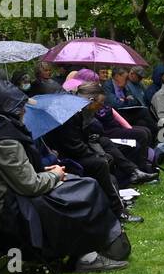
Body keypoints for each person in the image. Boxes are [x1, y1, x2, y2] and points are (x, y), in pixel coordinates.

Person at [0, 82, 127, 273]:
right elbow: (31, 186)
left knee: (75, 182)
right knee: (87, 188)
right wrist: (54, 174)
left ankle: (86, 250)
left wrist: (44, 171)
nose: (25, 112)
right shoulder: (3, 140)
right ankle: (87, 256)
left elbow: (4, 172)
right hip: (13, 209)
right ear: (12, 112)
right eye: (22, 108)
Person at [42, 89, 145, 224]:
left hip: (71, 153)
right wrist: (96, 155)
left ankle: (129, 180)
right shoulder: (70, 117)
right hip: (66, 159)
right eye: (100, 103)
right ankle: (118, 211)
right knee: (101, 164)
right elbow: (74, 146)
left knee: (106, 155)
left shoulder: (80, 114)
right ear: (91, 101)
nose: (101, 107)